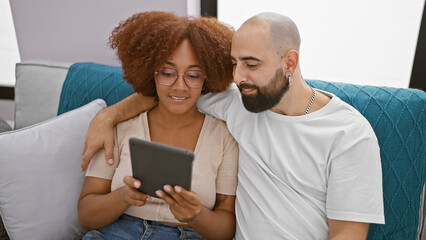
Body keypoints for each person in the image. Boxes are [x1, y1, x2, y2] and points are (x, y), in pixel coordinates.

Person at [81, 12, 385, 239]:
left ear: (289, 63)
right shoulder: (236, 101)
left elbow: (347, 234)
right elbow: (170, 94)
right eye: (234, 63)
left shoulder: (349, 134)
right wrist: (107, 116)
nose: (238, 77)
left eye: (251, 65)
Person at [78, 11, 239, 240]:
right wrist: (123, 197)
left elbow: (226, 228)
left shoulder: (223, 136)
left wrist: (197, 215)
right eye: (167, 72)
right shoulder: (119, 127)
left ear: (207, 78)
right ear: (150, 73)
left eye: (193, 75)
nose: (180, 87)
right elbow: (86, 215)